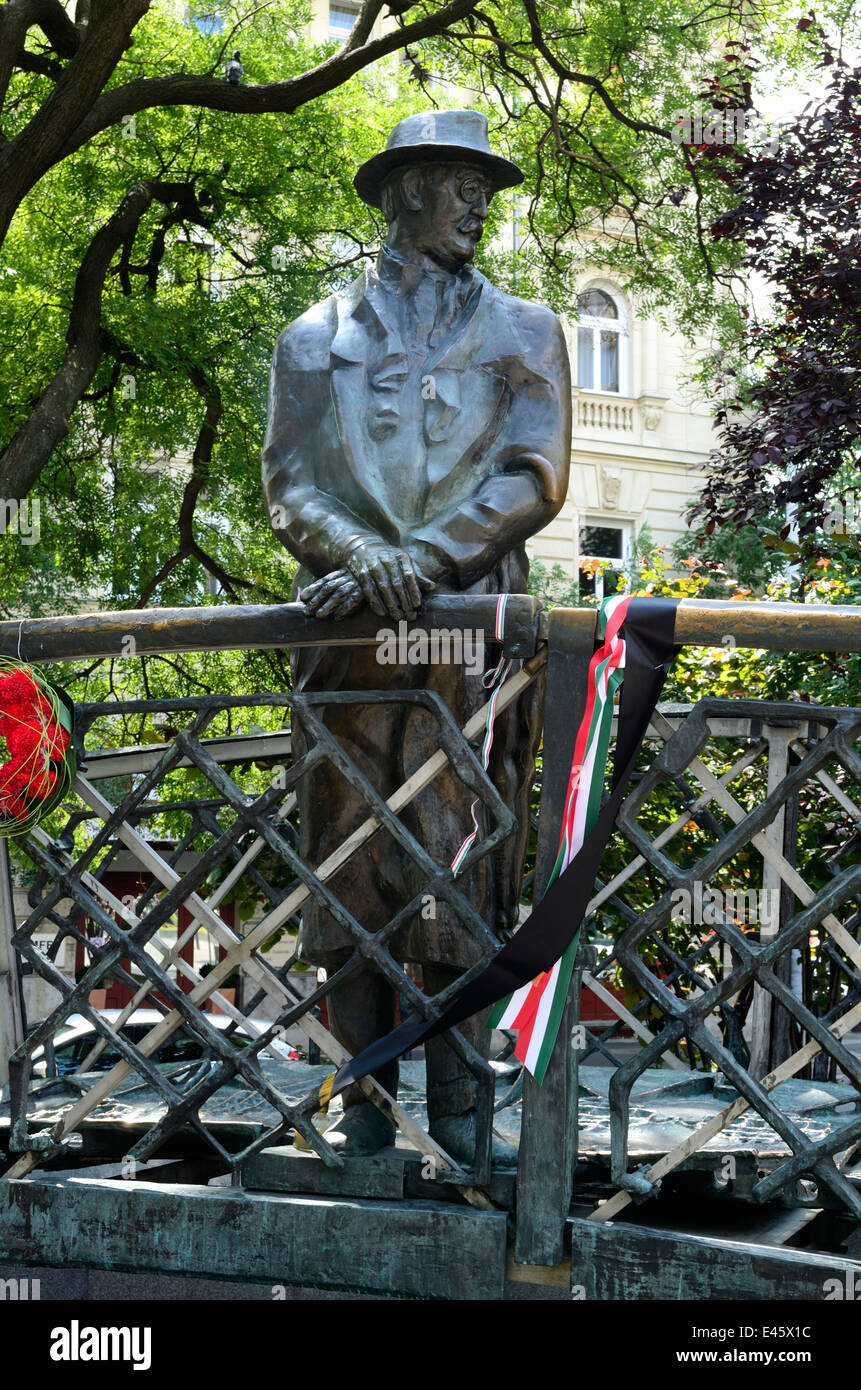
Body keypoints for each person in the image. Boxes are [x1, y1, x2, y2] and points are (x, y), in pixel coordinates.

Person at [262, 110, 571, 1162]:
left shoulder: (526, 330)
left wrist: (426, 561)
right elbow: (290, 485)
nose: (479, 203)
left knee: (463, 864)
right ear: (402, 192)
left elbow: (534, 475)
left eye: (485, 186)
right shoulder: (313, 338)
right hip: (346, 639)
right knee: (346, 869)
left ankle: (466, 1126)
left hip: (470, 638)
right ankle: (365, 1119)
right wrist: (361, 556)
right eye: (457, 182)